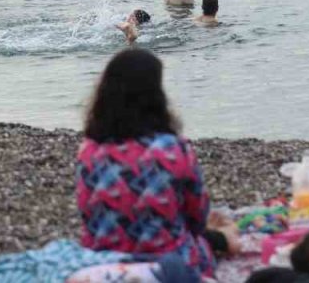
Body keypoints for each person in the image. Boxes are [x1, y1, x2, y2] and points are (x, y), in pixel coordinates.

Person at [76, 50, 239, 276]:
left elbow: (89, 216)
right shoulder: (172, 148)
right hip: (166, 265)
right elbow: (197, 218)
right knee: (219, 239)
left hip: (103, 264)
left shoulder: (89, 150)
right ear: (155, 95)